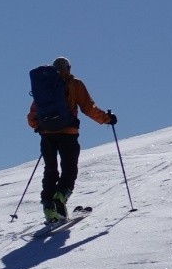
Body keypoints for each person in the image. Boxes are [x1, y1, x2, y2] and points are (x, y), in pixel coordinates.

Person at [26, 57, 117, 222]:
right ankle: (60, 198)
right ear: (69, 68)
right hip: (68, 133)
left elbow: (33, 115)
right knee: (69, 169)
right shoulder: (74, 84)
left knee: (50, 171)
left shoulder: (45, 86)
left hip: (47, 134)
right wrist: (107, 119)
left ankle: (48, 207)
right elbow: (88, 108)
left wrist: (39, 126)